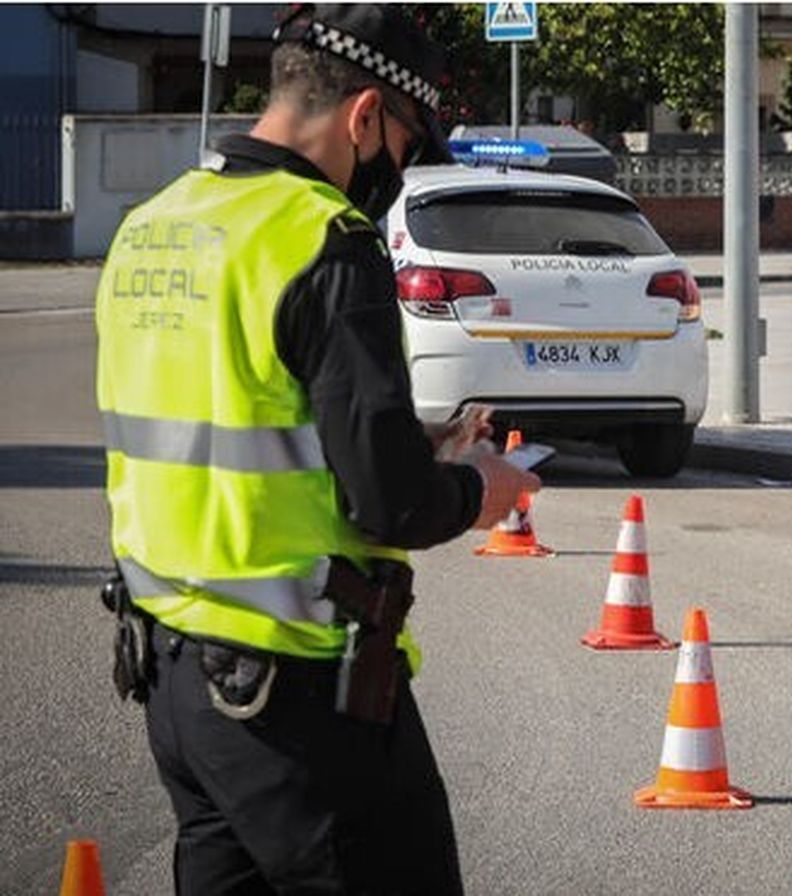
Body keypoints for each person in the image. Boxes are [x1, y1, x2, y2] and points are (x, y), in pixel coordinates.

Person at [93, 5, 539, 893]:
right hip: (299, 696)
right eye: (406, 148)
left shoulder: (154, 224)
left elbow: (230, 415)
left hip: (176, 677)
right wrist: (477, 488)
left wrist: (407, 442)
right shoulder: (325, 240)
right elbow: (394, 506)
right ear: (366, 114)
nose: (396, 174)